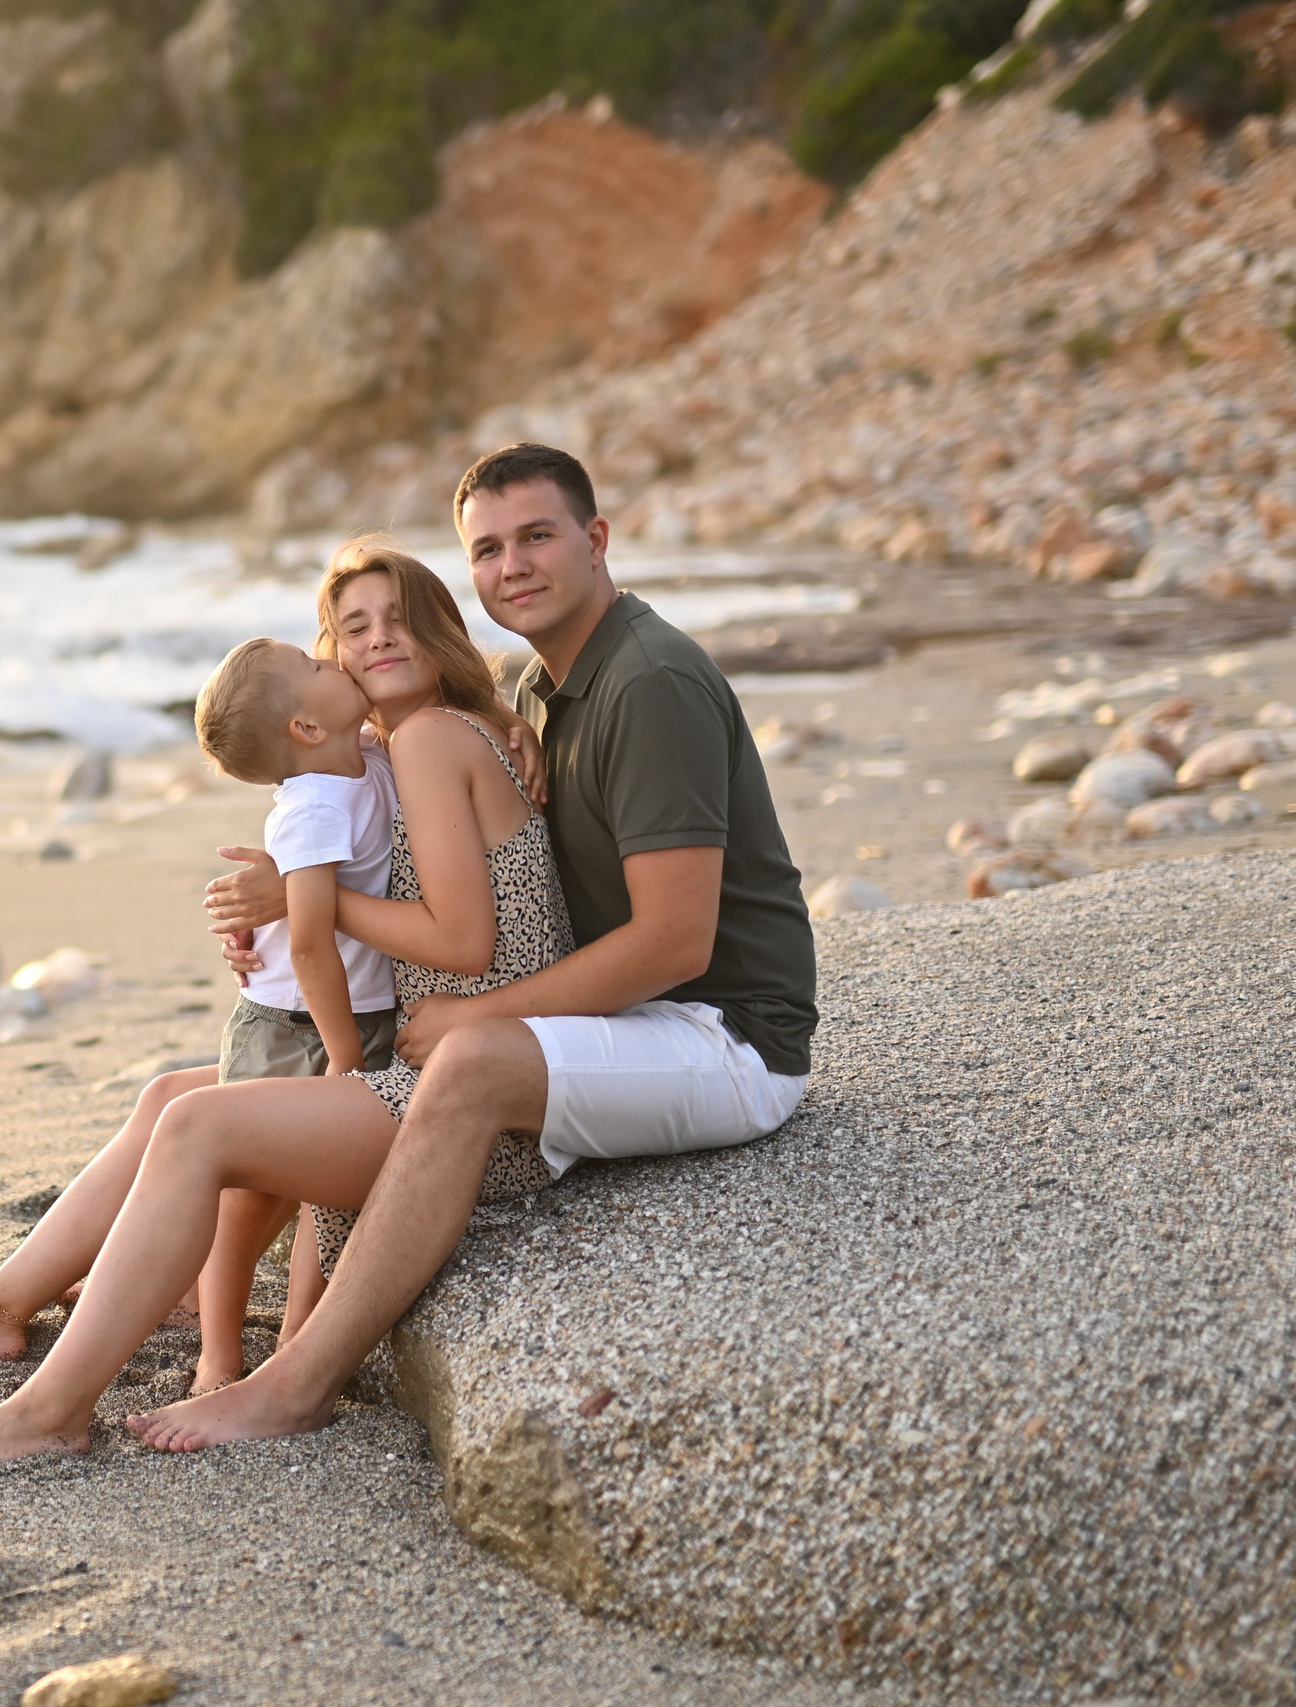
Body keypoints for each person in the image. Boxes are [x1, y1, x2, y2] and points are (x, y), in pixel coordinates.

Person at [128, 441, 817, 1452]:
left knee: (466, 1062)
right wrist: (278, 904)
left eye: (536, 536)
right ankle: (20, 1304)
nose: (512, 566)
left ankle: (294, 1384)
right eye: (486, 549)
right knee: (187, 1095)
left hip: (726, 1036)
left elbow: (675, 941)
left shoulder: (649, 683)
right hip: (631, 1022)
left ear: (596, 539)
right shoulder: (541, 690)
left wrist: (471, 1014)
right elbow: (353, 760)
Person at [0, 538, 573, 1475]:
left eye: (400, 619)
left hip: (461, 1096)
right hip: (427, 1055)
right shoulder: (400, 748)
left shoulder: (434, 739)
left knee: (195, 1123)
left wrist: (296, 904)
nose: (377, 641)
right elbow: (356, 870)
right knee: (166, 1096)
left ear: (438, 625)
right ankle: (0, 1304)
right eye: (353, 629)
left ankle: (53, 1409)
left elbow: (461, 940)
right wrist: (279, 907)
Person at [181, 634, 404, 1392]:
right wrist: (345, 1056)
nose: (332, 658)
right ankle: (218, 1353)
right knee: (245, 1203)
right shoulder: (311, 807)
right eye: (315, 669)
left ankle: (294, 1342)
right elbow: (309, 943)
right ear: (306, 729)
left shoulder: (370, 755)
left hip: (361, 1011)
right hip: (291, 1025)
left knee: (328, 1195)